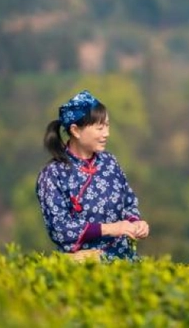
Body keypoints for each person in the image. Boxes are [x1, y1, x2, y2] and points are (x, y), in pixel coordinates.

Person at [36, 90, 149, 261]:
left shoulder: (110, 162)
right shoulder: (53, 174)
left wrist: (136, 223)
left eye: (107, 126)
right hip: (83, 266)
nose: (106, 134)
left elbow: (128, 203)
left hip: (125, 262)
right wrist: (111, 228)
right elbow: (60, 229)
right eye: (99, 128)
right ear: (75, 130)